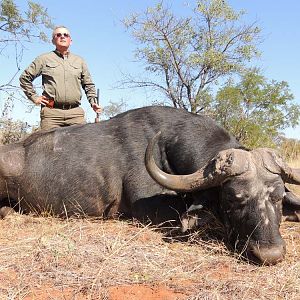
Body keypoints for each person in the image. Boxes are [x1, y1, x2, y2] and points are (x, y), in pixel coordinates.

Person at [19, 25, 102, 130]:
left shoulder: (80, 61)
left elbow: (88, 85)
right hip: (51, 113)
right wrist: (34, 97)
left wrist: (93, 103)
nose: (62, 37)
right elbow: (24, 78)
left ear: (70, 41)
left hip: (75, 114)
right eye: (58, 35)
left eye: (65, 35)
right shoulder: (44, 59)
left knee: (80, 145)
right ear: (53, 41)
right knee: (48, 146)